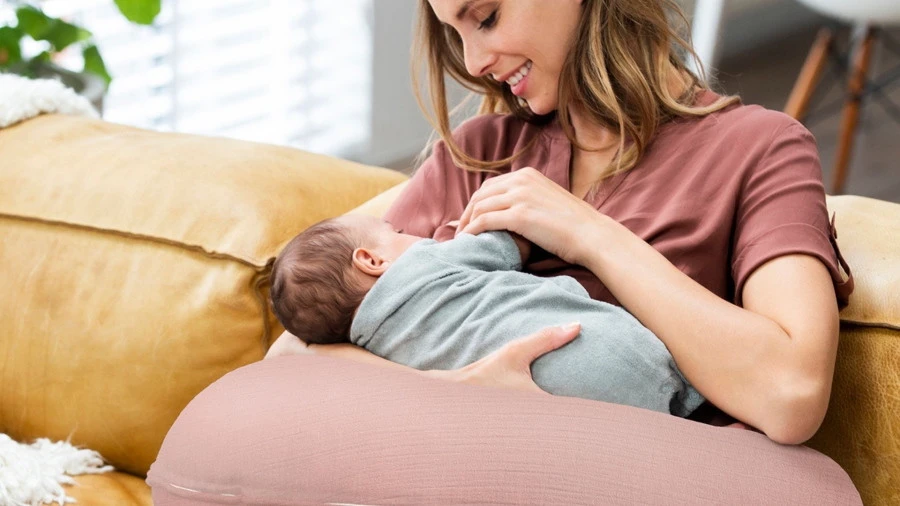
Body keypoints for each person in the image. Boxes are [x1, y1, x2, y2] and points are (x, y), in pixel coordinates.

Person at [270, 0, 853, 445]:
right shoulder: (479, 155)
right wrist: (458, 391)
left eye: (487, 17)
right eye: (455, 33)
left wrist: (589, 234)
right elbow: (292, 355)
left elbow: (791, 394)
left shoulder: (760, 149)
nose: (472, 62)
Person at [269, 214, 705, 416]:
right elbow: (509, 241)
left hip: (555, 407)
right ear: (371, 260)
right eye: (396, 232)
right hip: (598, 350)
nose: (413, 234)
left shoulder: (379, 352)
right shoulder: (424, 262)